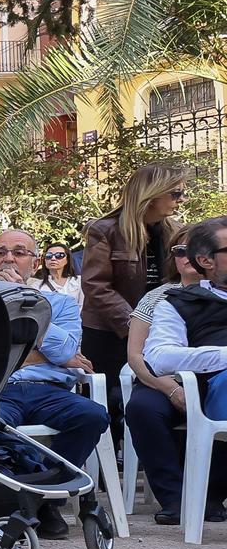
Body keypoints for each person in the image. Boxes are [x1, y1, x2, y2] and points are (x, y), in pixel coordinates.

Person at [0, 230, 109, 537]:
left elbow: (66, 352)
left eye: (19, 252)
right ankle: (36, 494)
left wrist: (26, 306)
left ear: (34, 264)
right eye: (0, 252)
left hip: (48, 391)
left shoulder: (60, 304)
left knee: (92, 415)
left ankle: (36, 496)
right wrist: (39, 355)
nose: (8, 258)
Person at [81, 163, 186, 450]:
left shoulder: (175, 231)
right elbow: (95, 285)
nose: (181, 200)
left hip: (160, 329)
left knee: (157, 392)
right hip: (107, 331)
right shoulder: (105, 230)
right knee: (109, 398)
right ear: (152, 194)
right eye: (175, 194)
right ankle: (106, 466)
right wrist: (135, 324)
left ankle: (148, 455)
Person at [139, 215, 227, 523]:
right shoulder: (173, 301)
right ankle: (180, 498)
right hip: (195, 381)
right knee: (142, 407)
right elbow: (157, 357)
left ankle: (210, 493)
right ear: (205, 260)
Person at [126, 223, 205, 524]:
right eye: (180, 250)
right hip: (161, 381)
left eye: (195, 249)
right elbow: (135, 355)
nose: (187, 256)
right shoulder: (157, 297)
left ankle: (210, 493)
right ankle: (173, 497)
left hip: (211, 381)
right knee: (142, 409)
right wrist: (169, 388)